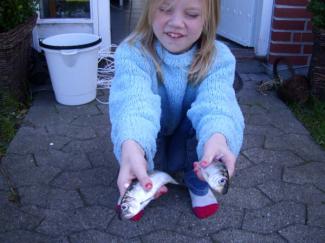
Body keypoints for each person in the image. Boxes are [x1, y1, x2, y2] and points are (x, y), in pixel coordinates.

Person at [109, 0, 244, 220]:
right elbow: (134, 103)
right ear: (149, 9)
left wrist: (218, 137)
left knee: (208, 123)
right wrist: (132, 145)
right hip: (153, 142)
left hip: (190, 148)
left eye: (191, 14)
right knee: (133, 135)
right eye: (164, 9)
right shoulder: (131, 52)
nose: (176, 23)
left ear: (207, 18)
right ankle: (140, 183)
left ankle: (197, 182)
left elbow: (218, 104)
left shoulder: (220, 58)